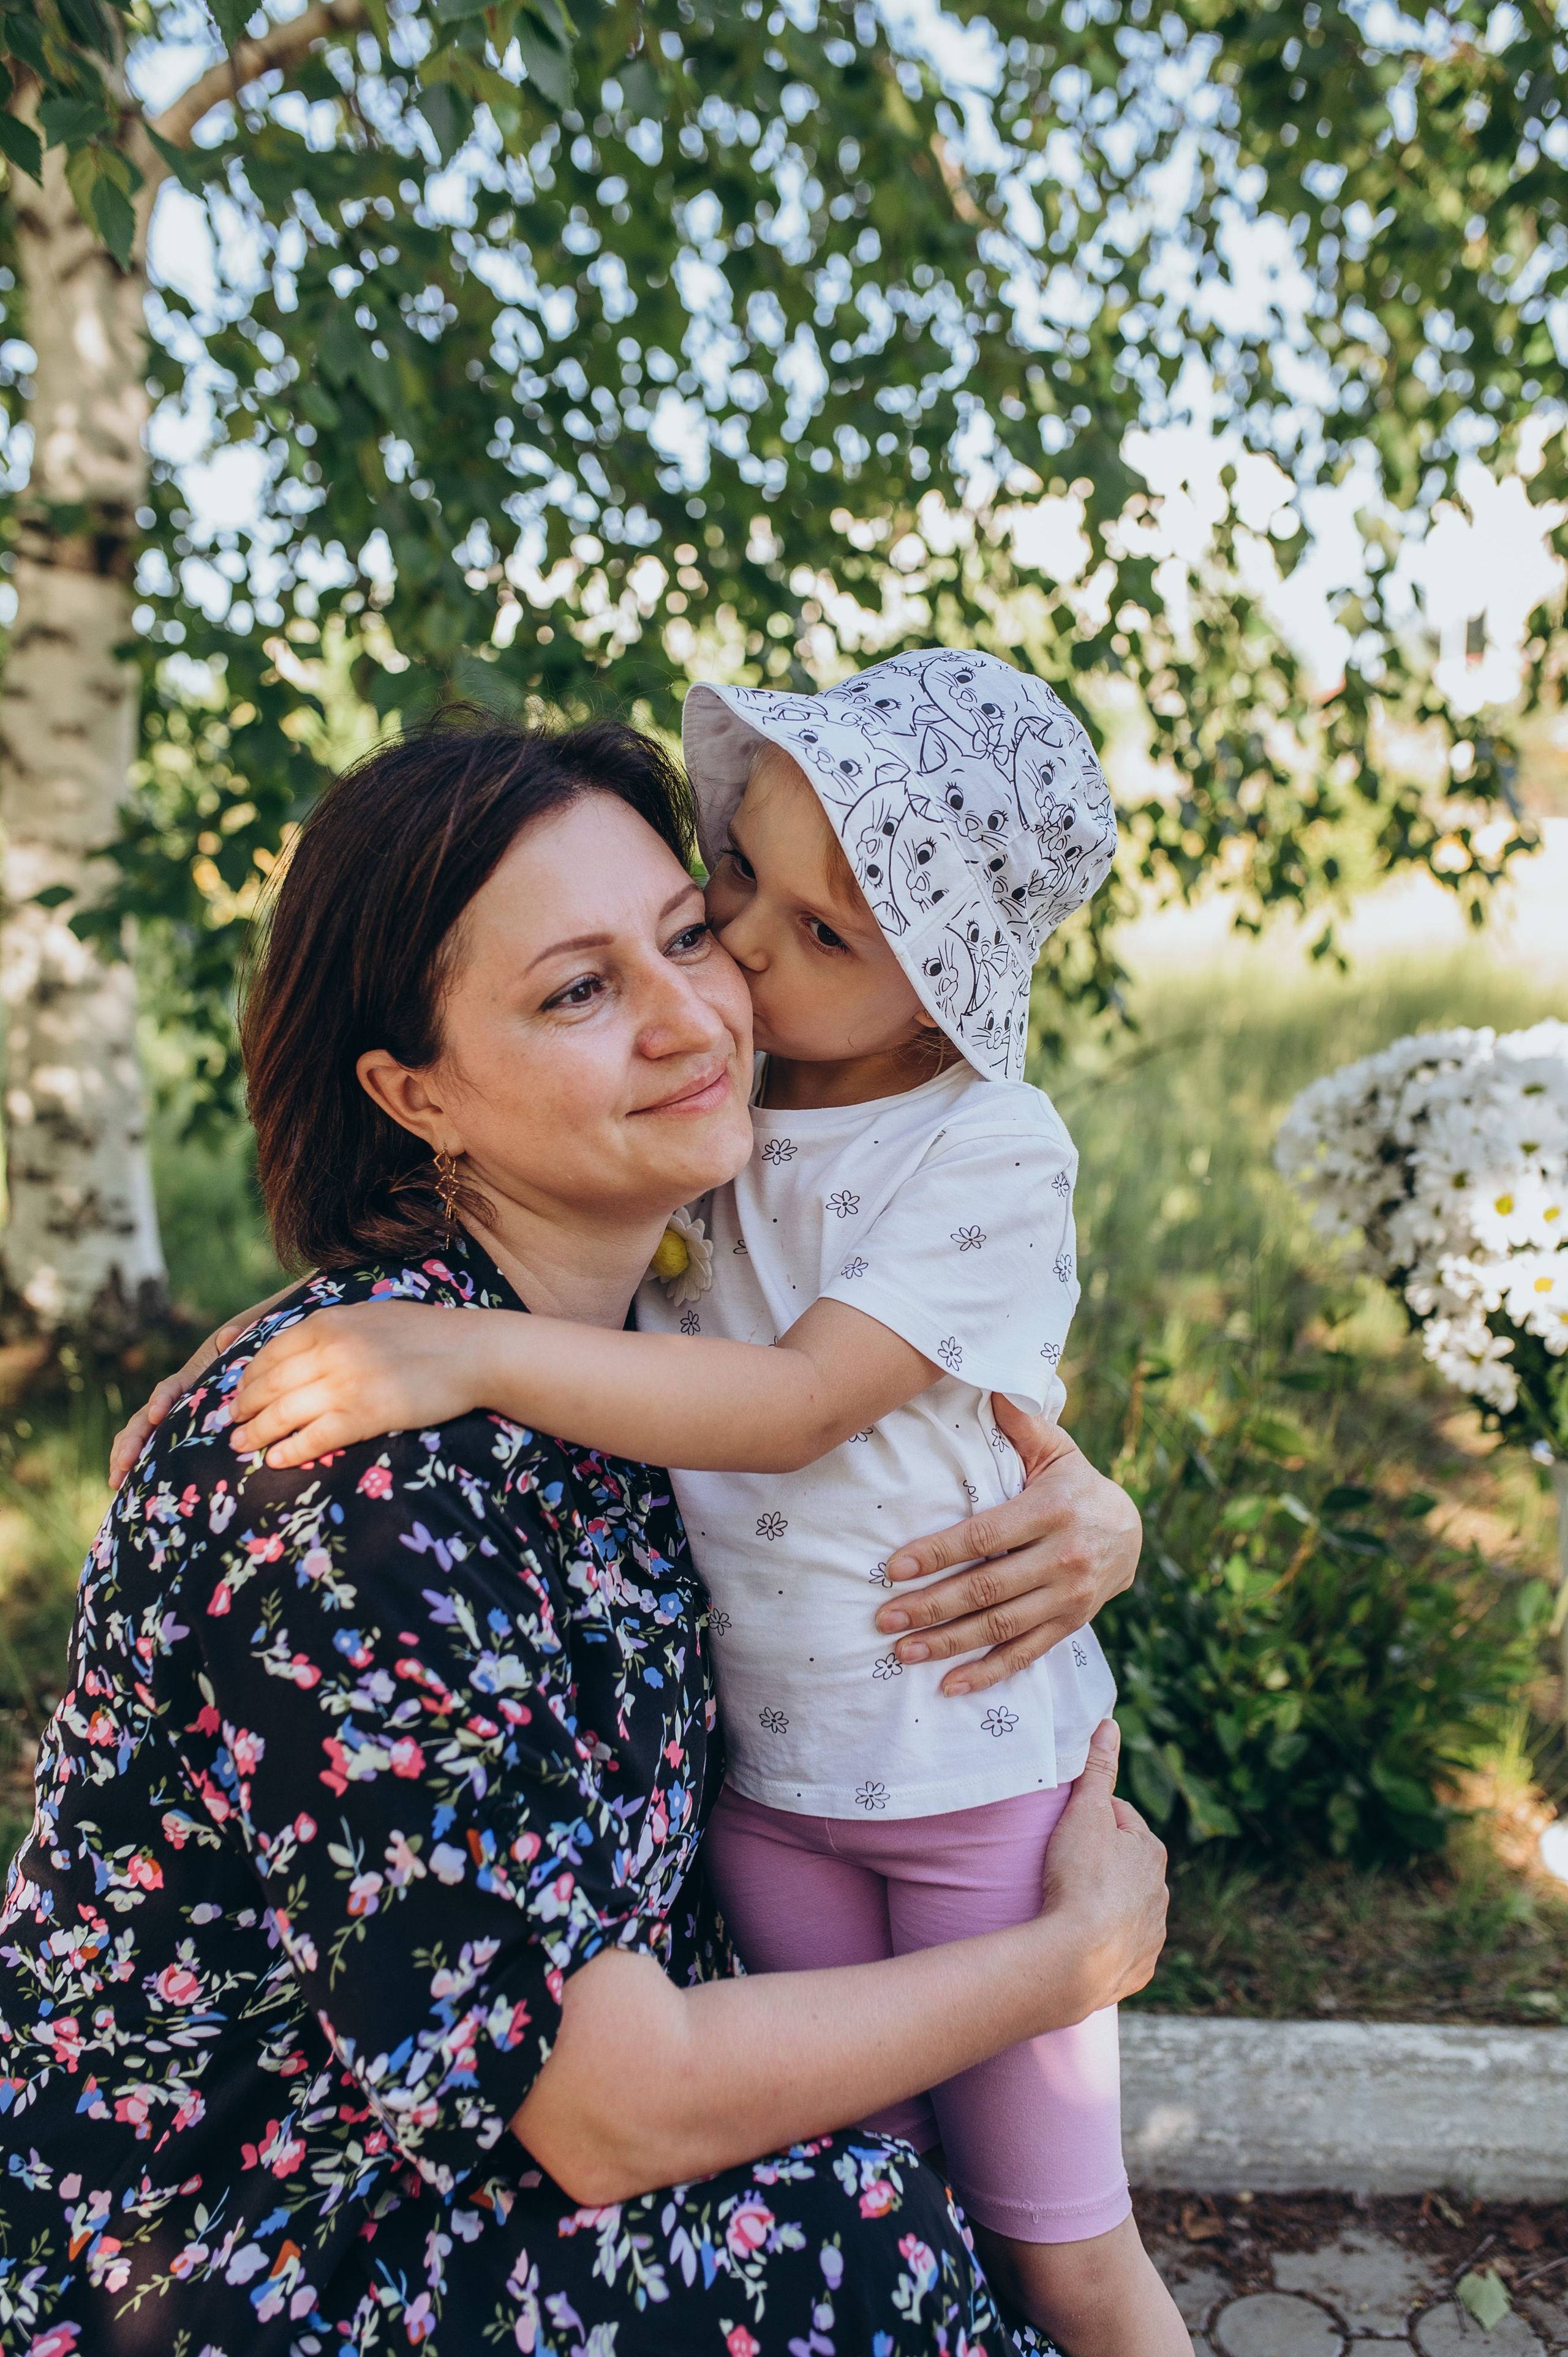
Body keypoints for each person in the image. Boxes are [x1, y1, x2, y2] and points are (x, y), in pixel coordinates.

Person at [0, 712, 1168, 2357]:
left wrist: (1094, 1514)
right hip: (242, 2237)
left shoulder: (625, 1342)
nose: (697, 1012)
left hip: (474, 2146)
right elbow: (605, 2109)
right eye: (576, 992)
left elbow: (832, 1418)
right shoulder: (353, 1491)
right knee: (853, 2246)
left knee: (913, 2228)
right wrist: (1071, 1960)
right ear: (414, 1093)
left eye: (686, 934)